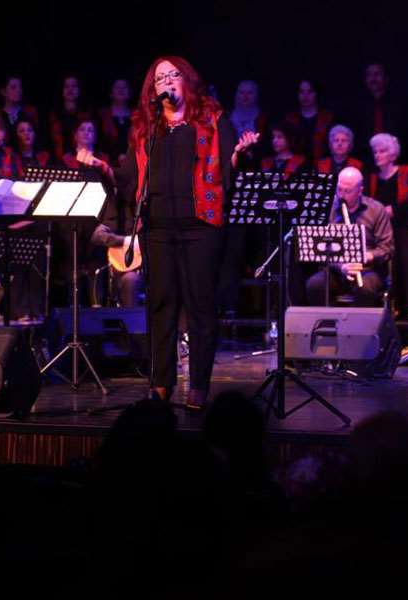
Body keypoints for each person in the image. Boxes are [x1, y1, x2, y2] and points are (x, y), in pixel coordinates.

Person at [80, 55, 258, 410]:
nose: (168, 82)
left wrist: (241, 155)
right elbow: (130, 181)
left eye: (174, 76)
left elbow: (230, 166)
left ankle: (199, 386)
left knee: (200, 307)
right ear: (153, 88)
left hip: (201, 225)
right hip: (157, 226)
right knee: (160, 306)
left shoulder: (212, 118)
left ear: (187, 82)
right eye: (161, 78)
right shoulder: (147, 128)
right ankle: (159, 383)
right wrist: (104, 170)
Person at [305, 167, 394, 307]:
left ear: (360, 190)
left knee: (366, 289)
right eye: (339, 189)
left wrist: (367, 256)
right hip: (336, 269)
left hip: (367, 270)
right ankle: (331, 325)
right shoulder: (329, 209)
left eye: (347, 191)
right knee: (315, 285)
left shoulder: (376, 209)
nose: (341, 195)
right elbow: (320, 249)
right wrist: (341, 266)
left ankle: (358, 328)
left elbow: (387, 248)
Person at [367, 133, 408, 318]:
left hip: (403, 224)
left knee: (406, 257)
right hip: (379, 227)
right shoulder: (373, 177)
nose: (378, 155)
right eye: (375, 152)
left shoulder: (405, 172)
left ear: (393, 154)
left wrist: (393, 210)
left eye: (382, 151)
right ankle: (391, 304)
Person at [283, 79, 333, 162]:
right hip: (294, 165)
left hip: (322, 165)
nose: (305, 96)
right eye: (301, 92)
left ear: (316, 93)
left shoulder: (328, 118)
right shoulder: (290, 119)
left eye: (310, 91)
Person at [98, 78, 133, 165]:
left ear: (129, 92)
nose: (121, 90)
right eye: (117, 87)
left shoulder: (136, 115)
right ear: (111, 93)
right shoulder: (102, 115)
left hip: (131, 162)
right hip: (106, 163)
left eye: (124, 87)